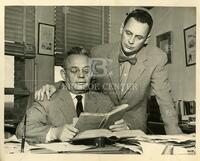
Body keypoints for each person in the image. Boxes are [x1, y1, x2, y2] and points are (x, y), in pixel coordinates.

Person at [35, 8, 182, 134]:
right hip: (101, 125)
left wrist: (176, 139)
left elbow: (166, 102)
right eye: (128, 33)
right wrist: (55, 87)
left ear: (147, 39)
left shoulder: (156, 58)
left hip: (133, 126)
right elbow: (79, 78)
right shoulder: (98, 53)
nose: (131, 41)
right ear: (121, 28)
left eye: (138, 37)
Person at [16, 47, 129, 144]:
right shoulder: (48, 99)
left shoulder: (103, 101)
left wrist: (123, 129)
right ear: (64, 75)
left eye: (86, 71)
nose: (81, 75)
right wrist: (55, 132)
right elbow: (22, 130)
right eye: (74, 70)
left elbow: (114, 133)